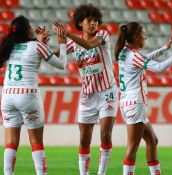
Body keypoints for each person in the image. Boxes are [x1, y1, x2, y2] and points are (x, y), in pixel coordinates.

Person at [114, 22, 172, 175]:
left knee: (152, 140)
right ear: (136, 37)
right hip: (135, 104)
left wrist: (165, 48)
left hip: (128, 103)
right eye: (143, 34)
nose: (145, 37)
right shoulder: (134, 55)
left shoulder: (125, 52)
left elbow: (144, 58)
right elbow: (159, 67)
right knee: (132, 146)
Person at [53, 4, 118, 175]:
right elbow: (57, 55)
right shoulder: (73, 43)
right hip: (87, 95)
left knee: (105, 135)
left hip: (107, 92)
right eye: (90, 20)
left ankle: (101, 173)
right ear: (80, 22)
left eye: (96, 20)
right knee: (83, 139)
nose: (94, 24)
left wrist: (67, 35)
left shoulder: (102, 35)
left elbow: (89, 45)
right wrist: (41, 45)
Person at [0, 15, 67, 175]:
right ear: (28, 30)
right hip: (28, 96)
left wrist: (40, 42)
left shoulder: (9, 47)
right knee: (36, 142)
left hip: (8, 97)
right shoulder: (37, 46)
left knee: (10, 144)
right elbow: (62, 64)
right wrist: (62, 44)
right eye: (30, 26)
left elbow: (27, 55)